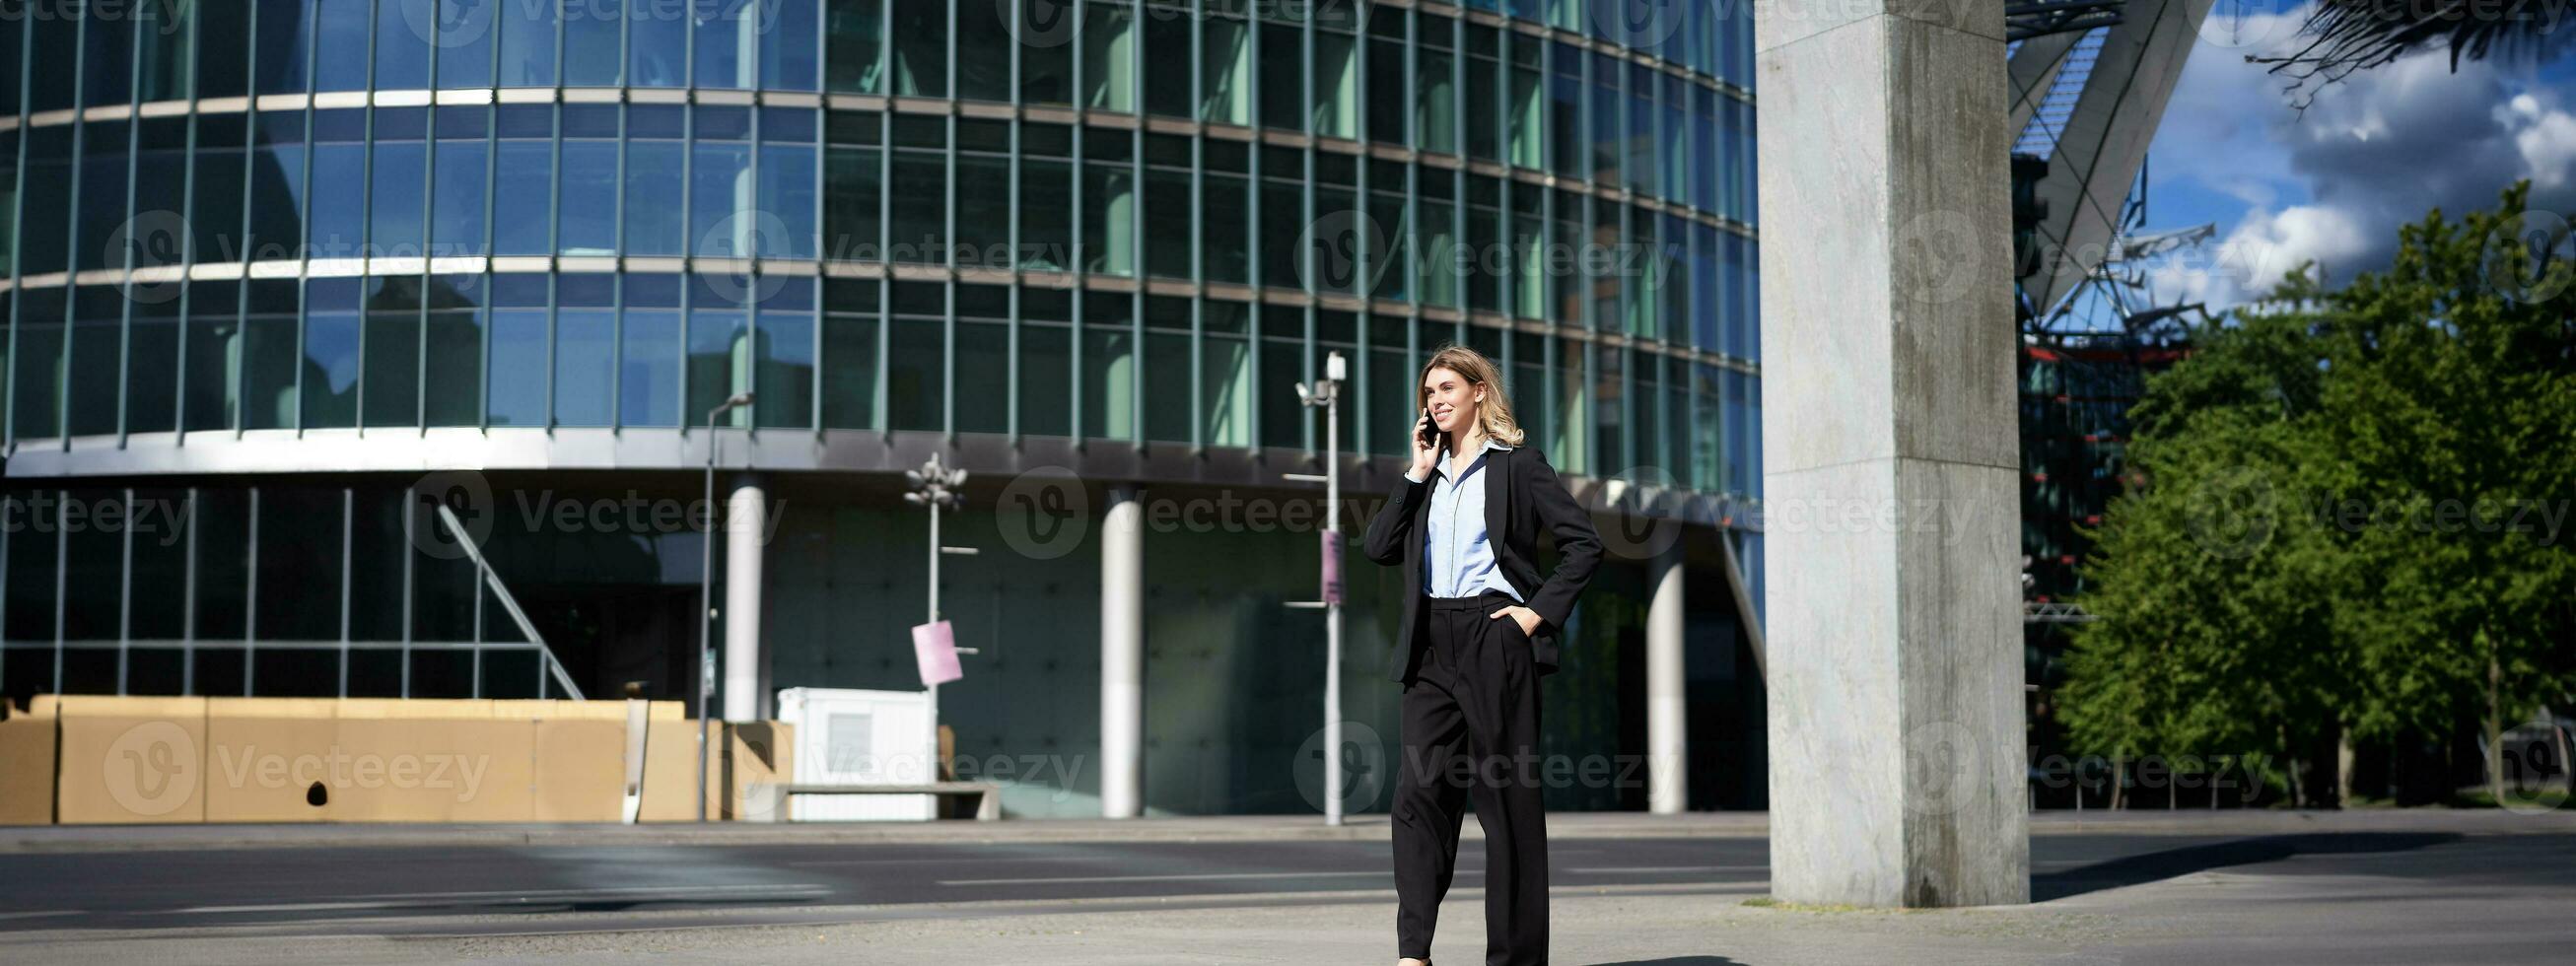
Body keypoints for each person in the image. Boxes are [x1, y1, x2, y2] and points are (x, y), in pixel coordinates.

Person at [1363, 344, 1602, 966]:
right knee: (1417, 797)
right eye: (1428, 393)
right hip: (1429, 645)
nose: (1436, 400)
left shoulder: (1518, 467)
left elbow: (1584, 545)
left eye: (1446, 388)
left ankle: (1517, 959)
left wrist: (1533, 613)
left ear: (1478, 392)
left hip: (1495, 635)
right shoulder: (1426, 477)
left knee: (1505, 801)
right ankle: (1413, 952)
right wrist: (1415, 474)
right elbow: (1379, 548)